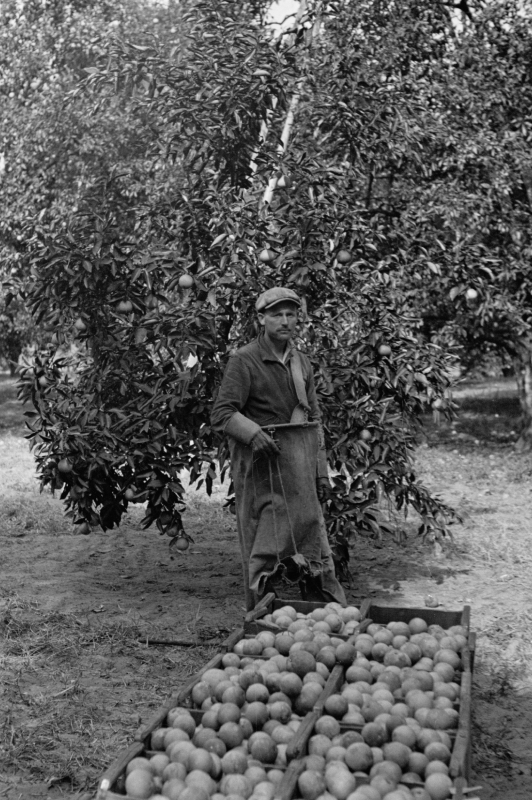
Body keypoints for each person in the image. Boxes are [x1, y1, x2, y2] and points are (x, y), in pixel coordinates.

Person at [211, 286, 347, 610]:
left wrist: (321, 473)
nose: (285, 321)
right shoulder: (244, 361)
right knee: (262, 551)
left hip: (299, 472)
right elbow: (222, 414)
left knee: (313, 543)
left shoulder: (302, 363)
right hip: (262, 475)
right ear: (261, 318)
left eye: (291, 314)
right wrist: (252, 431)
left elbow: (314, 421)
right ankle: (259, 621)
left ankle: (326, 615)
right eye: (277, 314)